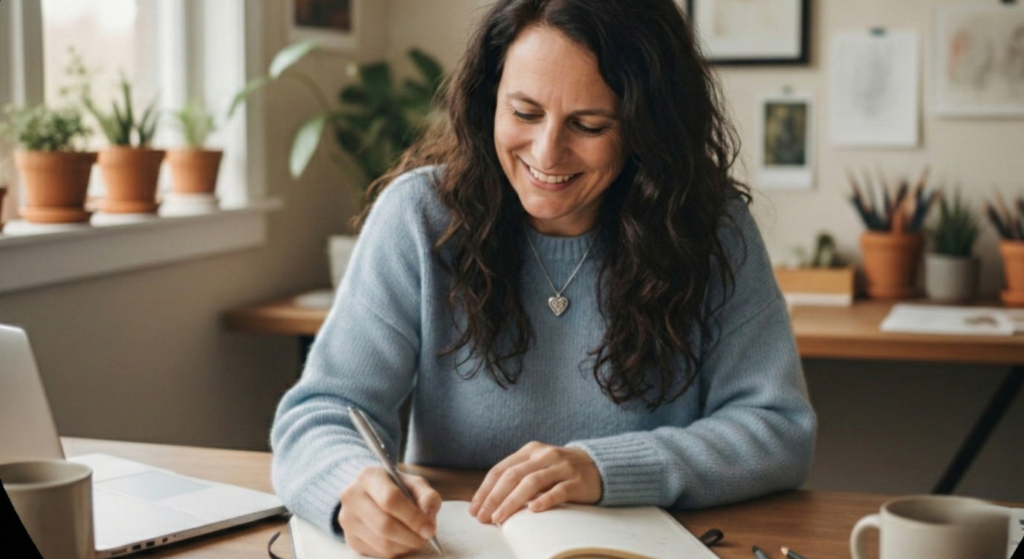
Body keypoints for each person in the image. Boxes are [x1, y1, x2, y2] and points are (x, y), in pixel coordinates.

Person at [270, 0, 816, 557]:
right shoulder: (418, 217)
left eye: (588, 124)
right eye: (525, 113)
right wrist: (351, 490)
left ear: (647, 128)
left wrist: (604, 469)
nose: (546, 151)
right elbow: (320, 415)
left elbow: (777, 428)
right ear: (490, 102)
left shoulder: (710, 226)